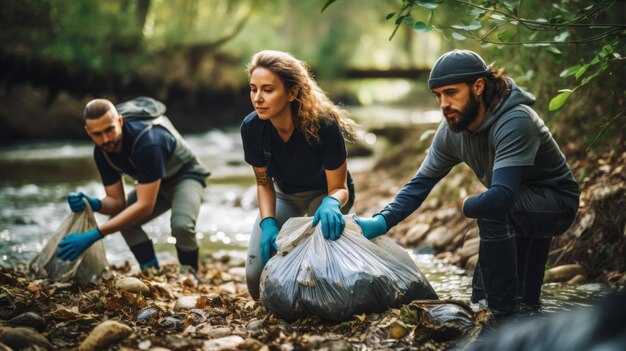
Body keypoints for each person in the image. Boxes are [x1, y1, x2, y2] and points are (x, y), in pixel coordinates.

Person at [354, 49, 580, 318]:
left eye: (451, 93)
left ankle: (499, 319)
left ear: (479, 87)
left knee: (495, 305)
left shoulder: (515, 120)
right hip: (518, 207)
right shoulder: (451, 131)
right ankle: (513, 318)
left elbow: (502, 198)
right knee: (502, 303)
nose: (443, 104)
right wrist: (382, 221)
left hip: (555, 203)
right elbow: (420, 184)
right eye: (438, 95)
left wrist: (466, 205)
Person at [240, 50, 360, 299]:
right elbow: (263, 184)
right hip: (286, 195)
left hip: (326, 196)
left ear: (292, 92)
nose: (257, 98)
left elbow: (340, 189)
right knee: (254, 273)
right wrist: (268, 222)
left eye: (268, 90)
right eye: (253, 89)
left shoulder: (324, 125)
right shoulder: (251, 128)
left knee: (316, 269)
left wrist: (330, 204)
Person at [56, 97, 210, 274]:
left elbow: (144, 206)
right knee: (122, 219)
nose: (105, 139)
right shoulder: (102, 153)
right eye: (97, 134)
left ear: (119, 121)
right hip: (153, 184)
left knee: (181, 226)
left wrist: (95, 234)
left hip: (185, 176)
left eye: (110, 130)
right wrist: (94, 204)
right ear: (88, 132)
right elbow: (116, 202)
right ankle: (150, 270)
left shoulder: (147, 142)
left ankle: (189, 275)